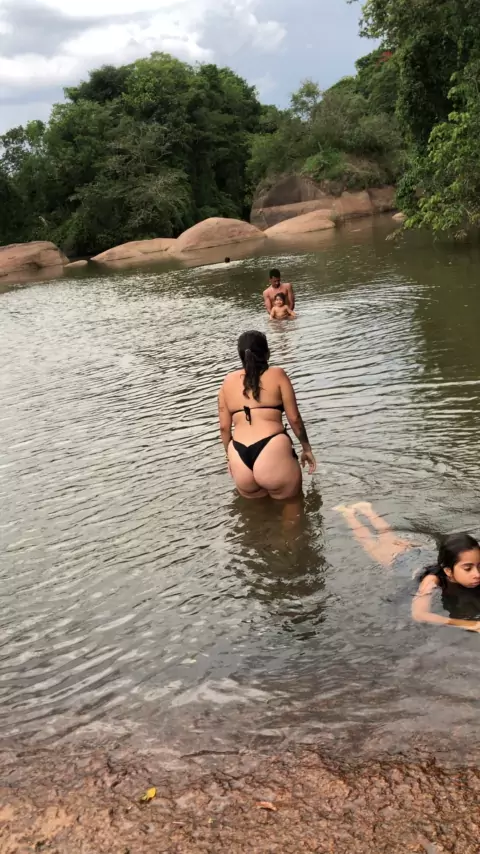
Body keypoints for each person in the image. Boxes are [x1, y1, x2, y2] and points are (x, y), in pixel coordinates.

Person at [335, 501, 480, 632]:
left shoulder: (470, 572)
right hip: (399, 560)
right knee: (368, 540)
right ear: (448, 571)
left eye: (479, 566)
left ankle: (367, 510)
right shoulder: (431, 580)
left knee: (388, 535)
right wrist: (466, 624)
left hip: (421, 553)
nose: (477, 574)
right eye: (468, 568)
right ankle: (349, 514)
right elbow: (419, 614)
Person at [218, 330, 316, 499]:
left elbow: (224, 428)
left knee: (253, 514)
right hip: (272, 448)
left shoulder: (227, 382)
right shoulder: (278, 374)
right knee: (293, 510)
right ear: (267, 353)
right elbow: (294, 419)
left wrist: (230, 458)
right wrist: (306, 448)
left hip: (239, 456)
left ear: (241, 357)